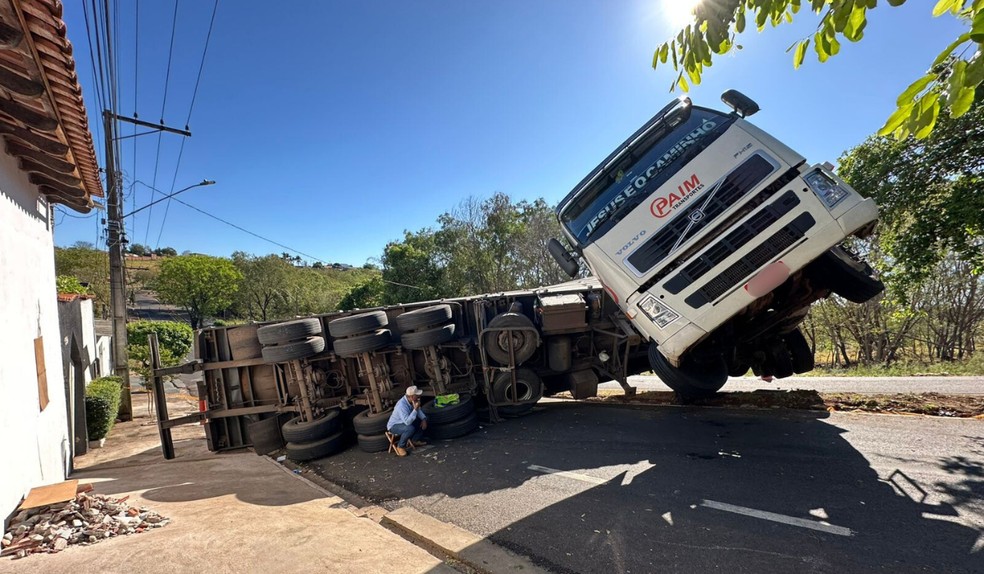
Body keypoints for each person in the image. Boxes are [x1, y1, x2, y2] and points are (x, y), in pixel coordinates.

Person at [386, 386, 428, 456]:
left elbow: (418, 411)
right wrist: (415, 409)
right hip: (394, 425)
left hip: (404, 422)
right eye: (416, 395)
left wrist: (424, 419)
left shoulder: (412, 400)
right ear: (411, 396)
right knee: (410, 428)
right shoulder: (401, 405)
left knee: (426, 418)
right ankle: (400, 446)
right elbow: (407, 422)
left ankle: (415, 440)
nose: (418, 396)